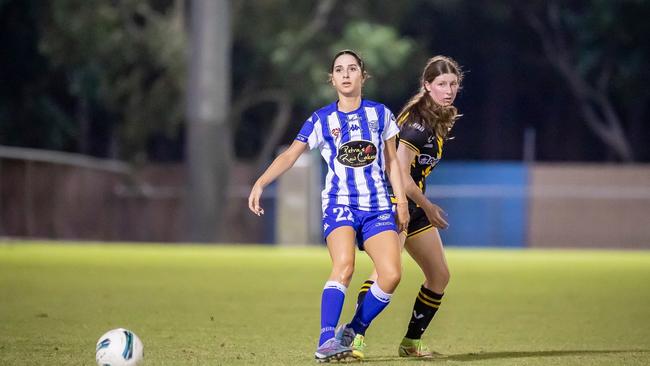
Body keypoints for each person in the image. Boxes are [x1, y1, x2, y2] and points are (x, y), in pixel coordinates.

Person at [248, 49, 409, 363]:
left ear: (363, 76)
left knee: (390, 275)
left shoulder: (380, 114)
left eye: (352, 69)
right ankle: (325, 340)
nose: (346, 74)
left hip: (376, 206)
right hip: (340, 205)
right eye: (339, 69)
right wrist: (261, 182)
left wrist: (400, 202)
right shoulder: (321, 119)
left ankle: (352, 330)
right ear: (332, 79)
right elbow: (290, 155)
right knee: (345, 265)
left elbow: (392, 162)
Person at [351, 55, 463, 359]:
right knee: (386, 274)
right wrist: (427, 206)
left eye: (453, 84)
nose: (448, 90)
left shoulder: (434, 117)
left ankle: (411, 342)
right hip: (392, 203)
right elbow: (398, 173)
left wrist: (421, 206)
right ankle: (354, 335)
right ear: (427, 86)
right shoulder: (417, 124)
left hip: (411, 205)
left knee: (439, 275)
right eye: (441, 84)